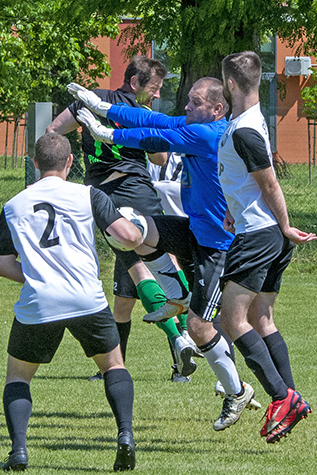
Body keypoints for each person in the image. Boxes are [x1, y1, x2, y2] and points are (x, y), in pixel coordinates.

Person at [71, 77, 262, 431]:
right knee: (131, 230)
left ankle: (237, 392)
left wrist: (108, 135)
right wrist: (103, 108)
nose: (186, 106)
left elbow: (153, 137)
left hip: (217, 247)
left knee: (200, 327)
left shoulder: (207, 134)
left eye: (195, 102)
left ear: (217, 109)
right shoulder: (198, 125)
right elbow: (153, 119)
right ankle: (177, 295)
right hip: (195, 231)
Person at [0, 133, 141, 472]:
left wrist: (39, 275)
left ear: (35, 163)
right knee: (113, 366)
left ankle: (18, 451)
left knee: (18, 377)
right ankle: (125, 435)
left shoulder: (13, 205)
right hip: (87, 298)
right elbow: (130, 237)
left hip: (40, 301)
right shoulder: (89, 195)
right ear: (70, 162)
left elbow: (2, 265)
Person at [47, 55, 196, 382]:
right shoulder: (141, 114)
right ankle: (183, 338)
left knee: (137, 270)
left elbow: (53, 131)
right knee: (162, 261)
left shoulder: (91, 100)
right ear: (134, 83)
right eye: (154, 88)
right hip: (138, 190)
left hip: (102, 196)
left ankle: (177, 340)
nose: (157, 94)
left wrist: (68, 159)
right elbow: (160, 157)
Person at [217, 51, 317, 444]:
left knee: (232, 319)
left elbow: (269, 183)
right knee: (262, 318)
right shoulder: (249, 120)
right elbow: (245, 179)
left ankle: (281, 397)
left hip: (259, 235)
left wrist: (286, 226)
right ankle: (292, 398)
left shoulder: (244, 129)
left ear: (230, 84)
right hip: (263, 231)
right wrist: (234, 207)